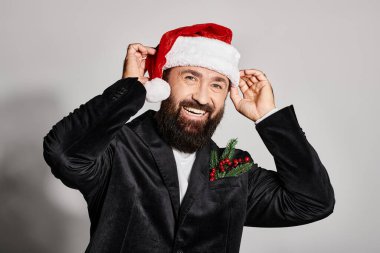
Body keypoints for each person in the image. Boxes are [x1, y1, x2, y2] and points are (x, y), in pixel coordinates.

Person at [43, 23, 335, 253]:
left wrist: (269, 118)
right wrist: (130, 89)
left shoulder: (232, 165)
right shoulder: (117, 148)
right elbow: (64, 153)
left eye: (218, 85)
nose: (202, 97)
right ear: (163, 81)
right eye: (190, 78)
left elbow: (312, 202)